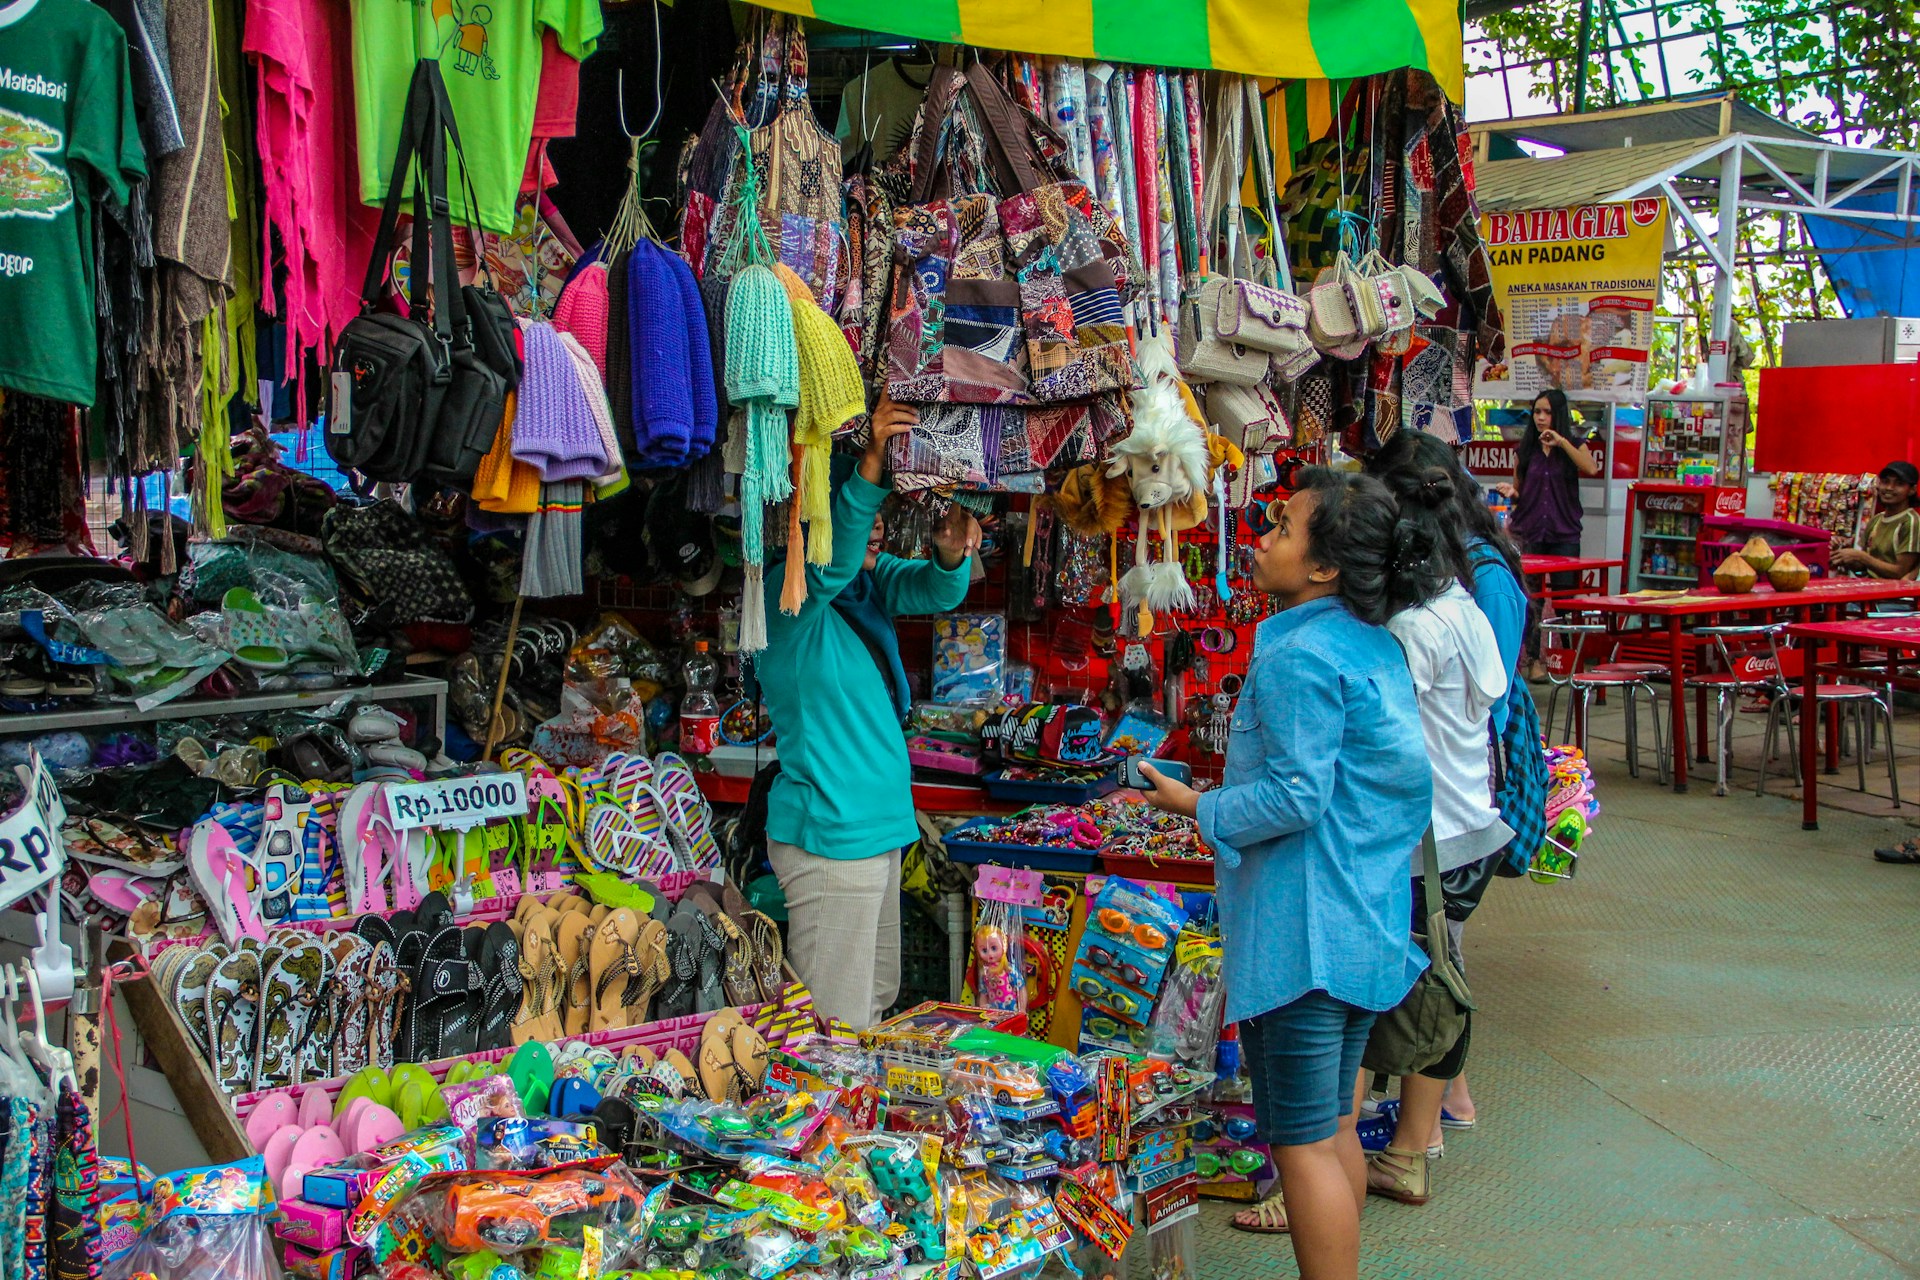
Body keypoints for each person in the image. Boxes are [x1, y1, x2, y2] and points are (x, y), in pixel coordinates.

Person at [1136, 470, 1433, 1279]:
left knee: (1300, 1143)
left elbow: (1299, 795)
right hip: (1357, 922)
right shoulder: (1370, 644)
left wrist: (1198, 806)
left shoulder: (1299, 651)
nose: (1263, 537)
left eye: (1285, 527)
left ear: (1325, 567)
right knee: (1331, 1126)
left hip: (1306, 936)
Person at [756, 395, 980, 1028]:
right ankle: (825, 1126)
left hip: (873, 834)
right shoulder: (788, 598)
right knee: (835, 1023)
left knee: (874, 1003)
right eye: (855, 508)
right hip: (833, 837)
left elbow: (932, 587)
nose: (874, 522)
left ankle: (854, 1126)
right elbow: (829, 561)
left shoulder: (862, 591)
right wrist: (873, 464)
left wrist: (950, 551)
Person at [1363, 431, 1531, 1140]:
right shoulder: (1460, 599)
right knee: (1440, 970)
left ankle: (1419, 1133)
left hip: (1433, 834)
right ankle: (1431, 1116)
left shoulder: (1426, 618)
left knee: (1424, 981)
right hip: (1468, 827)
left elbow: (1387, 737)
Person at [1495, 389, 1601, 677]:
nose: (1541, 418)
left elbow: (1590, 467)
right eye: (1537, 412)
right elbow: (1520, 491)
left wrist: (1561, 443)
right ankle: (1534, 661)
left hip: (1563, 533)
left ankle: (1569, 659)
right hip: (1529, 531)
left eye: (1547, 412)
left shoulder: (1574, 445)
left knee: (1566, 598)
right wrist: (1511, 492)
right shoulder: (1525, 449)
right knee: (1532, 600)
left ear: (1558, 415)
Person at [1833, 461, 1920, 580]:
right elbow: (1862, 568)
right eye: (1885, 482)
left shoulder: (1911, 522)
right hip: (1871, 589)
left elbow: (1899, 572)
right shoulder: (1876, 520)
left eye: (1899, 484)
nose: (1889, 488)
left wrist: (1862, 557)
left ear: (1912, 490)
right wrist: (1842, 554)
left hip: (1895, 596)